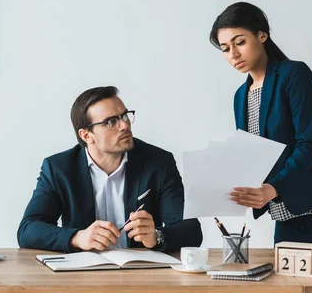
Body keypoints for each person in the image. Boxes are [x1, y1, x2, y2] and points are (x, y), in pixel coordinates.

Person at [209, 2, 312, 278]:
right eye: (225, 49)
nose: (233, 54)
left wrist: (272, 188)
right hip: (288, 218)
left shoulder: (294, 74)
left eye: (240, 42)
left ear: (262, 35)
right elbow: (253, 155)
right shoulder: (241, 96)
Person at [17, 86, 202, 253]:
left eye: (124, 115)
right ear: (86, 135)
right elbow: (28, 230)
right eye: (111, 122)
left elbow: (192, 231)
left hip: (142, 275)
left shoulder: (159, 162)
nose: (125, 125)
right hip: (81, 275)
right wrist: (77, 237)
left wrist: (156, 236)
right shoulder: (59, 168)